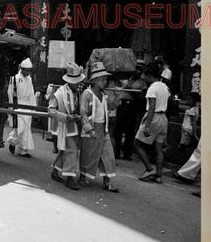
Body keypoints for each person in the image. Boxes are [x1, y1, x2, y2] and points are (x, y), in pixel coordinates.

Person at [78, 62, 119, 193]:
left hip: (104, 128)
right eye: (102, 79)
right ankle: (83, 177)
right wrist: (89, 129)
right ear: (94, 80)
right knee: (89, 154)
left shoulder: (104, 94)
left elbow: (111, 107)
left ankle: (108, 182)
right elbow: (83, 113)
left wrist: (117, 96)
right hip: (92, 127)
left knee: (108, 155)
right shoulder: (87, 94)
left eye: (105, 78)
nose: (104, 81)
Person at [48, 62, 85, 190]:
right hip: (65, 126)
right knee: (72, 151)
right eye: (76, 82)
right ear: (70, 81)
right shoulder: (59, 93)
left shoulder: (78, 91)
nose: (78, 84)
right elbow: (51, 111)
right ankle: (69, 178)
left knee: (66, 151)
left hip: (75, 125)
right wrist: (66, 117)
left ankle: (55, 171)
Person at [134, 62, 170, 184]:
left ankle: (149, 169)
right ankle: (158, 175)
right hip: (163, 118)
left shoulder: (152, 88)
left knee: (137, 144)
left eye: (144, 73)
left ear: (149, 75)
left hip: (153, 117)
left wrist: (147, 125)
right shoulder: (164, 87)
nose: (143, 76)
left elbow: (151, 107)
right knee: (159, 148)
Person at [113, 60, 148, 160]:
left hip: (132, 106)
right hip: (121, 105)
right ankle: (116, 152)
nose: (137, 71)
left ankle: (127, 154)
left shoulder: (142, 83)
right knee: (118, 130)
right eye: (136, 68)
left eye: (139, 69)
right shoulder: (123, 78)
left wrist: (134, 92)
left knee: (130, 131)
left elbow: (143, 97)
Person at [6, 58, 36, 158]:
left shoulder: (30, 79)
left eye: (29, 70)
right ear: (22, 69)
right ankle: (12, 141)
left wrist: (33, 108)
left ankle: (23, 151)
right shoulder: (14, 79)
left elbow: (32, 94)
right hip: (18, 106)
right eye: (27, 70)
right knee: (20, 128)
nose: (28, 72)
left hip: (28, 106)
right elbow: (10, 93)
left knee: (27, 129)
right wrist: (11, 108)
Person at [45, 82, 60, 153]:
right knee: (54, 129)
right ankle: (55, 147)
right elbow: (48, 97)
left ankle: (57, 147)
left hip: (58, 109)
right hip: (53, 108)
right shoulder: (51, 86)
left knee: (56, 130)